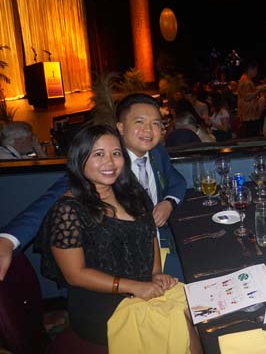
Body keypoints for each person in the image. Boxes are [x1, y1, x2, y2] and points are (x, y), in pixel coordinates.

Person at [33, 125, 200, 350]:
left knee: (197, 307)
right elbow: (75, 275)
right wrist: (133, 286)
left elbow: (149, 233)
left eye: (116, 153)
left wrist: (156, 273)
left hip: (145, 285)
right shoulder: (68, 210)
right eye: (98, 154)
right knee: (174, 322)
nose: (110, 162)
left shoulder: (132, 193)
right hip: (100, 304)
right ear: (79, 158)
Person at [0, 93, 187, 281]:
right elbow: (51, 202)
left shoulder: (157, 152)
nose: (148, 130)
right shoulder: (105, 166)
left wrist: (169, 202)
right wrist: (9, 239)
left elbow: (177, 181)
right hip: (121, 266)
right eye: (139, 122)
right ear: (120, 127)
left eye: (156, 123)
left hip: (160, 246)